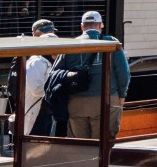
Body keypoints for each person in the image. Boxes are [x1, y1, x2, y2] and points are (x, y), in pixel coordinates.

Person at [66, 9, 131, 139]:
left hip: (76, 101)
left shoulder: (70, 45)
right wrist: (122, 94)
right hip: (105, 99)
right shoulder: (111, 42)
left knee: (79, 144)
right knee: (103, 143)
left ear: (82, 26)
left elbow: (58, 72)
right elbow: (124, 72)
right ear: (101, 25)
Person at [21, 18, 60, 136]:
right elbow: (36, 90)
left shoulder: (52, 62)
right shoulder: (36, 61)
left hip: (48, 111)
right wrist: (57, 87)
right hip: (36, 112)